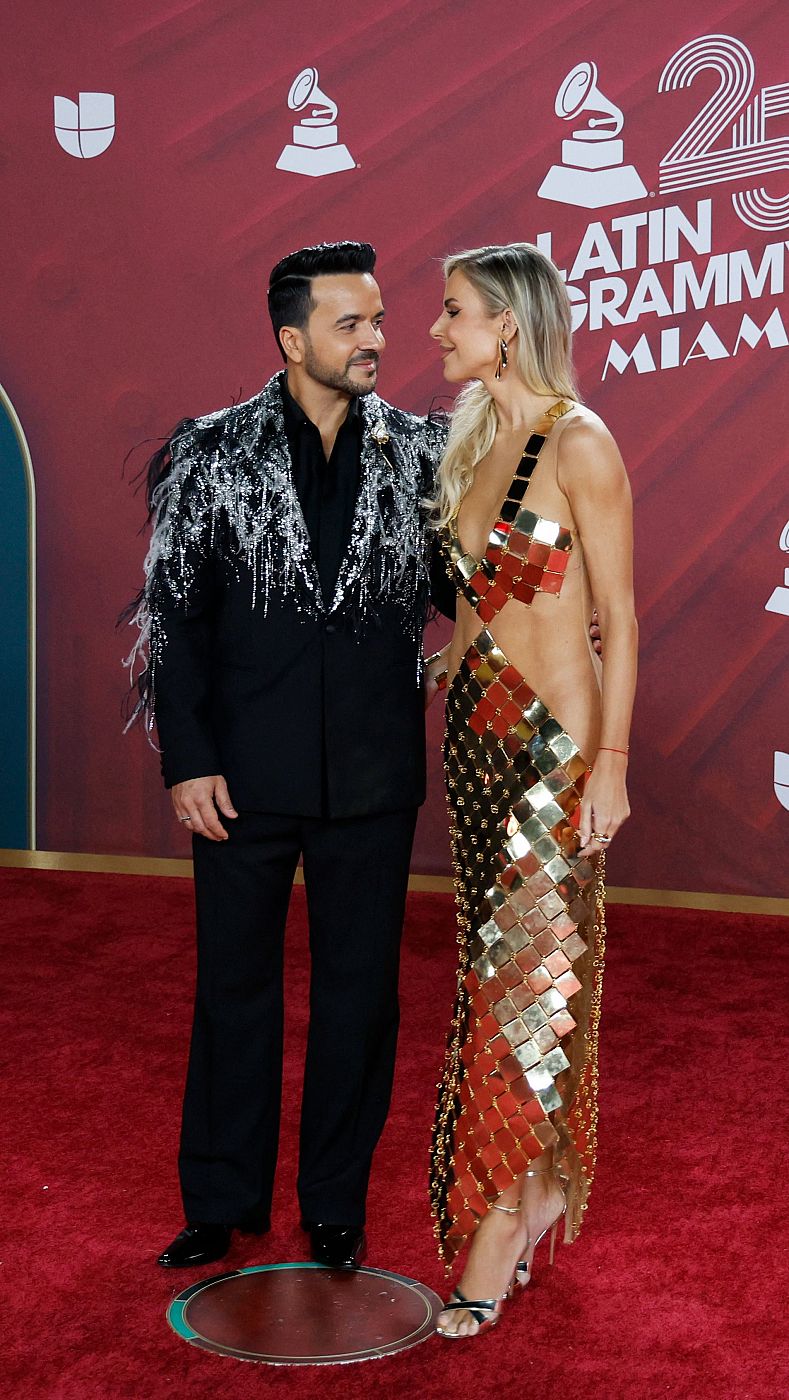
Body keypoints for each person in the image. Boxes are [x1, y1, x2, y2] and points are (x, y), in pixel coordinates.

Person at [124, 241, 453, 1271]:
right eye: (352, 322)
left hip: (371, 773)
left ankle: (335, 1202)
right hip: (240, 774)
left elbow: (464, 591)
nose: (378, 340)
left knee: (360, 993)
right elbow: (172, 618)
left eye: (381, 319)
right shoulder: (208, 451)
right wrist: (187, 758)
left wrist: (559, 623)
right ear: (292, 336)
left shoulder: (424, 450)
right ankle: (221, 1197)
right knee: (235, 988)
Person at [425, 244, 637, 1337]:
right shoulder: (472, 437)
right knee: (496, 975)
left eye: (452, 311)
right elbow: (474, 607)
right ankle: (543, 1181)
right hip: (472, 746)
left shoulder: (581, 441)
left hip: (556, 753)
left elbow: (623, 620)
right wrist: (447, 665)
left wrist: (610, 764)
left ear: (506, 323)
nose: (434, 329)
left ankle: (504, 1220)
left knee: (528, 983)